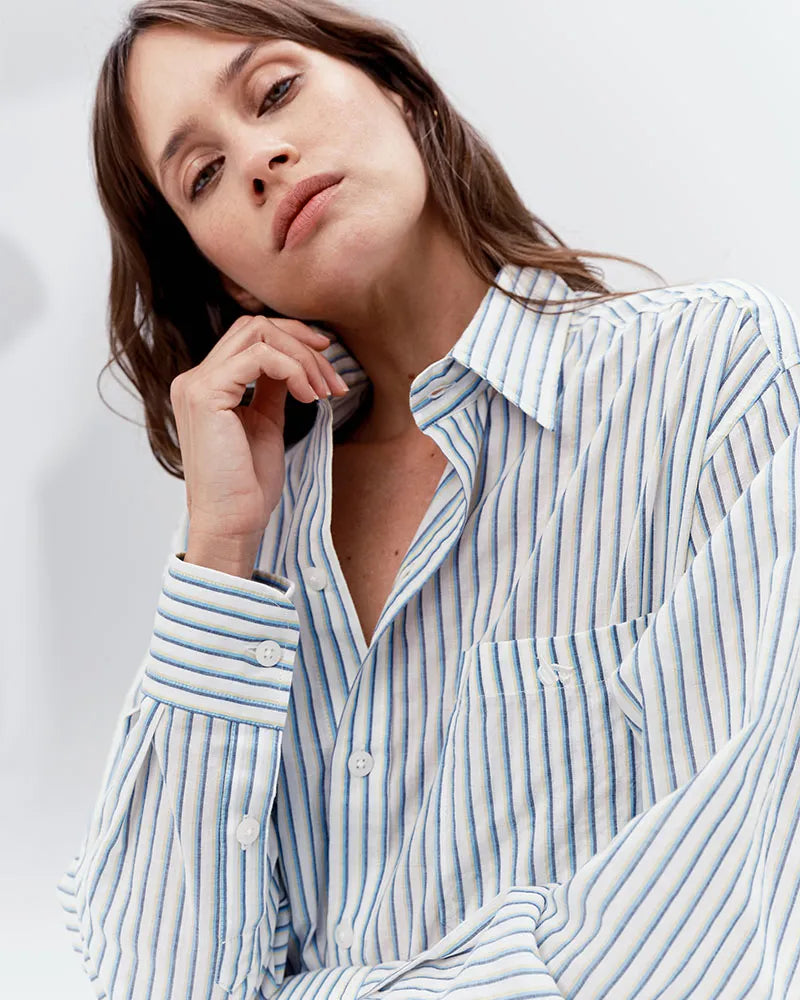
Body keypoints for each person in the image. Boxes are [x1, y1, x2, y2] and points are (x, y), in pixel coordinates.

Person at [57, 1, 800, 997]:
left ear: (401, 92)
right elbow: (159, 980)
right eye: (203, 175)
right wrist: (220, 547)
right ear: (225, 278)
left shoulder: (708, 377)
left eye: (275, 91)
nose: (259, 160)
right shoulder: (251, 548)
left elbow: (722, 915)